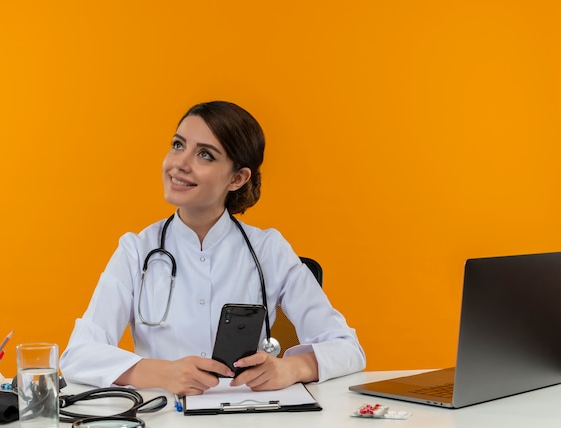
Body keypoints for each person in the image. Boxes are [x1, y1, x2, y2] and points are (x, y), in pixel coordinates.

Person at [59, 101, 366, 396]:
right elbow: (78, 354)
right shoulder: (136, 251)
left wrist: (293, 368)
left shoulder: (267, 249)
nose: (180, 163)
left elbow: (348, 348)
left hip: (249, 414)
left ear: (237, 178)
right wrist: (159, 373)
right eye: (178, 145)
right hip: (167, 416)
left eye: (205, 155)